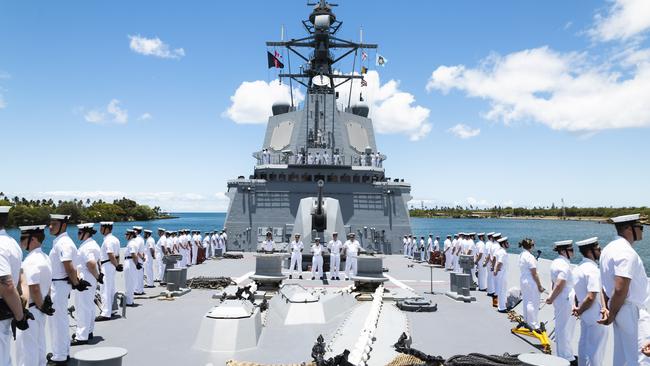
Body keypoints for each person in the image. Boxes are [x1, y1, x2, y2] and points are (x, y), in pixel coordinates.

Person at [598, 214, 648, 366]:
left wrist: (607, 308)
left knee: (622, 358)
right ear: (628, 229)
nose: (642, 231)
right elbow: (620, 289)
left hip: (619, 308)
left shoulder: (608, 249)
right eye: (640, 227)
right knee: (642, 358)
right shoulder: (626, 252)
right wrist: (611, 314)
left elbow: (604, 284)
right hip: (631, 310)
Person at [47, 213, 89, 364]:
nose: (50, 226)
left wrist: (76, 283)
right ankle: (64, 352)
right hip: (60, 284)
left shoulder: (63, 243)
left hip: (58, 285)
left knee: (57, 322)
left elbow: (69, 266)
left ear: (63, 225)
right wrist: (75, 282)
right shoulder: (61, 241)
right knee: (61, 320)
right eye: (50, 223)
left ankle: (59, 357)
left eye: (54, 224)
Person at [16, 224, 52, 366]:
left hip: (31, 308)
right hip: (41, 308)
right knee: (40, 343)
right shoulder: (46, 257)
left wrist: (37, 306)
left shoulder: (30, 261)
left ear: (34, 239)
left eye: (24, 238)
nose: (21, 242)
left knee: (27, 349)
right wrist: (45, 304)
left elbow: (34, 288)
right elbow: (48, 284)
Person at [0, 206, 31, 366]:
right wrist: (20, 309)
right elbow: (19, 277)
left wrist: (19, 316)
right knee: (5, 355)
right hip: (7, 308)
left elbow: (6, 285)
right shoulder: (12, 243)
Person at [573, 237, 608, 366]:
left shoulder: (578, 268)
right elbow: (591, 296)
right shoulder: (592, 270)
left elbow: (577, 294)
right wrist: (580, 310)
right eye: (598, 249)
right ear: (590, 251)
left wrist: (579, 309)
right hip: (595, 316)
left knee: (584, 345)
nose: (600, 251)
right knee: (596, 351)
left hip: (586, 315)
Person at [546, 239, 576, 363]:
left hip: (561, 299)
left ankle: (565, 353)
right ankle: (565, 357)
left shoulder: (556, 262)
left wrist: (553, 297)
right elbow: (560, 283)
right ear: (564, 251)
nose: (573, 252)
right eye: (571, 250)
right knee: (565, 328)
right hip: (565, 299)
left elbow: (554, 284)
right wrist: (551, 298)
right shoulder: (563, 264)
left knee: (562, 327)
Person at [72, 223, 102, 346]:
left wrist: (97, 276)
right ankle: (88, 331)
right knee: (89, 306)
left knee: (82, 308)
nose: (78, 235)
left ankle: (81, 336)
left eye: (79, 233)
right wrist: (97, 277)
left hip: (85, 280)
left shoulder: (87, 247)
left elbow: (91, 263)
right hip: (90, 279)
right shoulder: (91, 244)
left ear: (86, 233)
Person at [518, 238, 545, 330]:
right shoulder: (530, 257)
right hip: (531, 281)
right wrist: (540, 286)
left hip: (523, 280)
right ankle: (533, 325)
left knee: (526, 301)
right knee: (532, 302)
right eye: (533, 245)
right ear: (530, 246)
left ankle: (526, 321)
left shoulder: (522, 255)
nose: (534, 246)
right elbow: (534, 273)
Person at [97, 222, 120, 322]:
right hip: (111, 265)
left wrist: (116, 265)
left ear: (106, 228)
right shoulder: (115, 239)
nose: (100, 229)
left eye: (101, 227)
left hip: (107, 265)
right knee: (110, 288)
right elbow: (117, 255)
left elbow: (110, 254)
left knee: (105, 289)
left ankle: (106, 313)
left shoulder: (108, 240)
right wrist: (117, 265)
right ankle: (112, 309)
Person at [123, 230, 141, 307]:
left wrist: (137, 264)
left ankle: (129, 301)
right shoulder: (133, 242)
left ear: (131, 235)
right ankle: (130, 299)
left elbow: (134, 254)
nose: (125, 235)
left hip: (130, 262)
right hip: (130, 262)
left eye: (127, 234)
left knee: (129, 282)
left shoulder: (132, 243)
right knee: (130, 281)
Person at [493, 236, 509, 313]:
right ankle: (502, 308)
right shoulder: (502, 252)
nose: (508, 244)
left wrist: (495, 269)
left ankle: (501, 305)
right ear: (503, 244)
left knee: (501, 290)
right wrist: (496, 270)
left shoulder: (499, 251)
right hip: (502, 274)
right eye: (506, 243)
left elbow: (494, 259)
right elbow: (499, 262)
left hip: (501, 273)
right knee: (502, 290)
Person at [132, 226, 145, 294]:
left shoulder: (137, 239)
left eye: (134, 230)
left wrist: (142, 257)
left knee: (137, 275)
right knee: (140, 275)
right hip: (141, 258)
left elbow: (136, 251)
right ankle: (141, 289)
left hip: (138, 259)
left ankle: (137, 290)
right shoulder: (141, 239)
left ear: (136, 231)